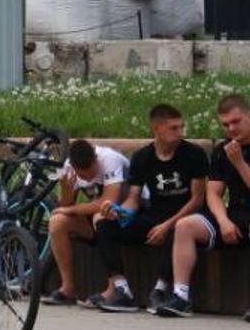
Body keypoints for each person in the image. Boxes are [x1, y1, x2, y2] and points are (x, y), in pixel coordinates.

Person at [88, 103, 208, 312]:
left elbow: (197, 200)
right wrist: (119, 212)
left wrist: (168, 224)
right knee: (105, 225)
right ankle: (122, 290)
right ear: (156, 129)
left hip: (185, 215)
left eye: (181, 127)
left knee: (178, 228)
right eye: (174, 128)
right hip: (155, 216)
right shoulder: (142, 157)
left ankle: (160, 289)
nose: (180, 133)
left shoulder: (194, 154)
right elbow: (134, 198)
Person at [158, 93, 250, 318]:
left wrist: (239, 163)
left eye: (236, 122)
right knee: (185, 225)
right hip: (236, 215)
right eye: (225, 124)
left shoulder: (234, 153)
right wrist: (223, 221)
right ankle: (180, 297)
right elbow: (214, 193)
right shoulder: (224, 149)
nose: (231, 129)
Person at [42, 138, 128, 305]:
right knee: (57, 221)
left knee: (101, 216)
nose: (88, 178)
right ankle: (68, 288)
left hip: (128, 213)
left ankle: (113, 289)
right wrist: (66, 189)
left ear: (95, 159)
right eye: (83, 175)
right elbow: (65, 206)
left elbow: (109, 201)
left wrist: (71, 209)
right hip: (98, 218)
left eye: (91, 171)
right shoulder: (69, 167)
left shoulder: (109, 159)